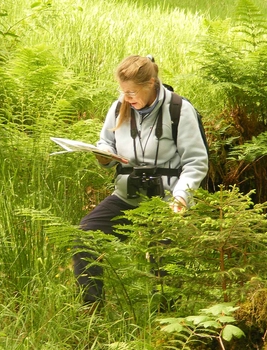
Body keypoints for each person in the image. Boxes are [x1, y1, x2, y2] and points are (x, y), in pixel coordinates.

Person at [72, 54, 208, 308]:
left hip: (167, 199)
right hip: (127, 195)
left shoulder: (179, 109)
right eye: (123, 91)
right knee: (86, 234)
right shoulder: (118, 108)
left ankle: (167, 321)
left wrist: (181, 198)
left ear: (151, 83)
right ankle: (90, 311)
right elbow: (106, 143)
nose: (127, 97)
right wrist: (103, 157)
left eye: (132, 92)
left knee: (164, 256)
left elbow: (196, 163)